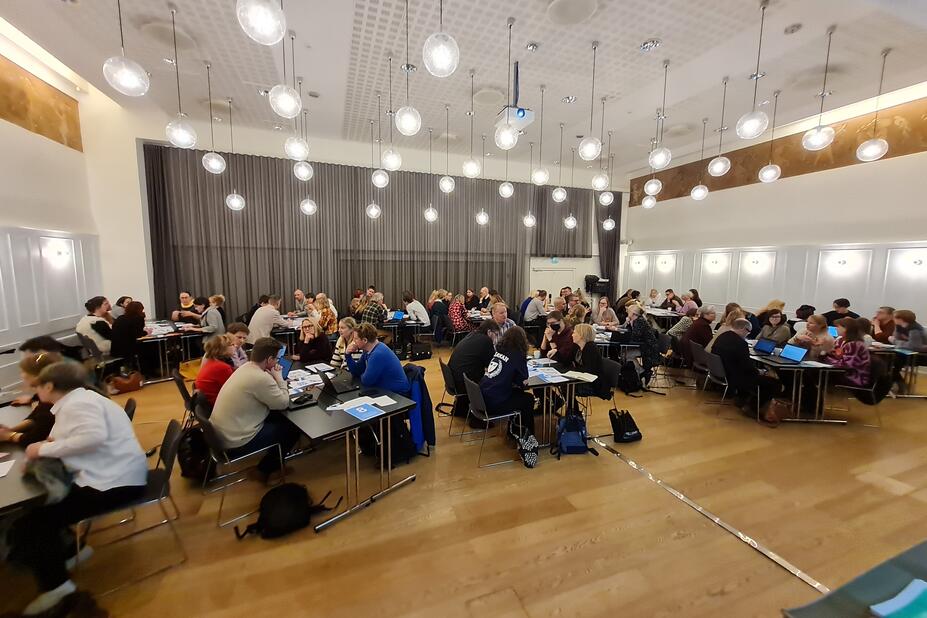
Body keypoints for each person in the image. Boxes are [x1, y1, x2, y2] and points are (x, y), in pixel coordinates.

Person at [10, 361, 147, 615]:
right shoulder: (77, 401)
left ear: (49, 386)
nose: (35, 391)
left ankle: (57, 588)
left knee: (34, 523)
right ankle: (71, 551)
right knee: (39, 513)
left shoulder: (78, 404)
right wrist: (45, 447)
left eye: (38, 386)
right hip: (112, 476)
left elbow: (93, 437)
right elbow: (72, 437)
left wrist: (43, 449)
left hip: (116, 483)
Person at [210, 337, 299, 480]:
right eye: (276, 359)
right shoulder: (260, 377)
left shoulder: (246, 367)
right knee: (292, 428)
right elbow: (283, 403)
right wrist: (279, 378)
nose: (277, 362)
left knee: (278, 416)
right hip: (236, 441)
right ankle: (266, 470)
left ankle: (272, 460)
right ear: (269, 359)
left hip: (221, 434)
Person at [712, 318, 782, 415]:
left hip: (722, 372)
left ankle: (742, 399)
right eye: (748, 332)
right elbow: (747, 367)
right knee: (774, 383)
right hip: (734, 378)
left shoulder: (722, 336)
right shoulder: (741, 343)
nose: (747, 334)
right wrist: (762, 372)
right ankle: (752, 407)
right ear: (743, 329)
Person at [479, 326, 535, 435]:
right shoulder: (518, 355)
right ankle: (523, 434)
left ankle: (514, 430)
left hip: (483, 397)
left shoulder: (499, 351)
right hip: (495, 403)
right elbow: (523, 381)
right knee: (528, 399)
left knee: (518, 394)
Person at [0, 352, 60, 446]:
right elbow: (37, 417)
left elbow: (35, 438)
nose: (21, 375)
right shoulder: (53, 391)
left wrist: (9, 436)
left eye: (23, 372)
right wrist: (11, 430)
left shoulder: (50, 405)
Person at [447, 320, 502, 417]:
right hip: (464, 383)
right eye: (496, 334)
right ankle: (486, 411)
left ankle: (463, 409)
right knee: (494, 381)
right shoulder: (486, 341)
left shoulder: (472, 334)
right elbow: (492, 366)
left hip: (453, 378)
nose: (496, 338)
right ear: (489, 332)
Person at [346, 323, 409, 393]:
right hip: (384, 389)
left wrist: (364, 373)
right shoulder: (368, 350)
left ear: (365, 340)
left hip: (397, 394)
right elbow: (357, 371)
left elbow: (367, 381)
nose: (353, 341)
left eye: (355, 339)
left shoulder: (378, 354)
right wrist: (348, 354)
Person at [826, 317, 871, 387]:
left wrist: (827, 360)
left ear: (846, 329)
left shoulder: (855, 345)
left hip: (854, 376)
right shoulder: (839, 340)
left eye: (838, 327)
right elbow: (834, 354)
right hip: (842, 371)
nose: (836, 329)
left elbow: (846, 364)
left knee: (817, 375)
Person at [570, 323, 610, 400]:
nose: (572, 335)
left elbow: (589, 369)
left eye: (574, 333)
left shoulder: (591, 348)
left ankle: (570, 407)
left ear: (581, 335)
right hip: (583, 378)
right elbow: (568, 359)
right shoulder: (576, 346)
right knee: (565, 386)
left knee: (567, 387)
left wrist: (572, 370)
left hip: (594, 384)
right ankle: (569, 406)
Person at [195, 334, 236, 405]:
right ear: (223, 349)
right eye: (232, 345)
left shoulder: (211, 361)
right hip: (217, 404)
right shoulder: (222, 367)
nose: (235, 346)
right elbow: (233, 389)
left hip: (208, 401)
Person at [627, 305, 661, 382]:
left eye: (628, 311)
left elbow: (635, 337)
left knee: (626, 354)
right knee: (625, 353)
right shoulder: (638, 320)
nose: (627, 313)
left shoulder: (639, 321)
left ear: (633, 313)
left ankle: (642, 372)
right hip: (644, 346)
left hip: (649, 349)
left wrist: (631, 325)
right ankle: (641, 372)